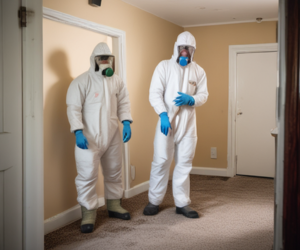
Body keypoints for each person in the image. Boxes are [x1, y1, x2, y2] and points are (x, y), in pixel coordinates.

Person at [66, 42, 133, 233]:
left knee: (114, 171)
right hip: (88, 138)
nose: (104, 62)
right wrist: (77, 131)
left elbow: (124, 102)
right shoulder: (81, 81)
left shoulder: (117, 81)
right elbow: (73, 108)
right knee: (87, 175)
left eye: (107, 58)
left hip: (112, 135)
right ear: (94, 60)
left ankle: (113, 204)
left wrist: (126, 121)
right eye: (101, 59)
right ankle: (88, 212)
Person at [144, 31, 208, 218]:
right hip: (167, 122)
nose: (185, 51)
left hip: (188, 124)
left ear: (193, 51)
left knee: (184, 163)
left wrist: (192, 99)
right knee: (161, 161)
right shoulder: (164, 66)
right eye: (182, 48)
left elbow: (204, 95)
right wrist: (163, 114)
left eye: (188, 49)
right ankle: (154, 201)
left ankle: (182, 203)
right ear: (176, 48)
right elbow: (154, 92)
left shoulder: (198, 71)